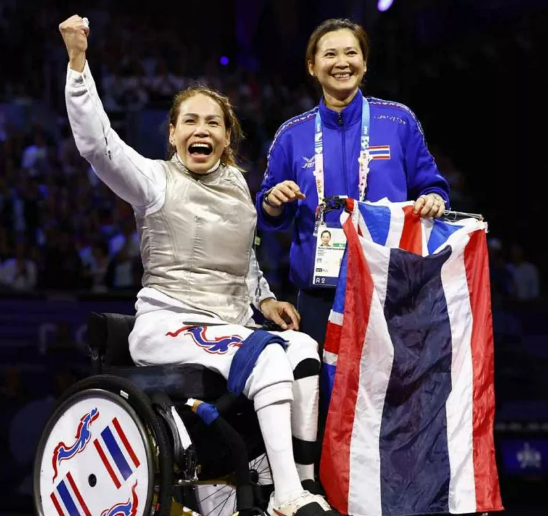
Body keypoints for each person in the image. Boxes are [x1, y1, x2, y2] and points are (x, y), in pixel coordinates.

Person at [58, 15, 332, 516]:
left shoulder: (236, 188)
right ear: (172, 134)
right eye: (190, 121)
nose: (201, 130)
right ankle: (289, 498)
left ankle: (303, 483)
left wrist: (266, 299)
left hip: (230, 324)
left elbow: (243, 258)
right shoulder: (153, 180)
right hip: (168, 325)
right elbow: (97, 146)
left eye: (213, 123)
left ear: (227, 138)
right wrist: (78, 63)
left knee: (302, 349)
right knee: (268, 356)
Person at [256, 18, 452, 348]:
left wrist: (433, 198)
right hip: (320, 295)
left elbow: (432, 186)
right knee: (325, 396)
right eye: (330, 54)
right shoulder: (292, 135)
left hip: (390, 288)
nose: (342, 63)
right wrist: (272, 202)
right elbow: (269, 216)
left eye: (351, 53)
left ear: (364, 62)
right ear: (311, 66)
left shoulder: (398, 121)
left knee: (389, 396)